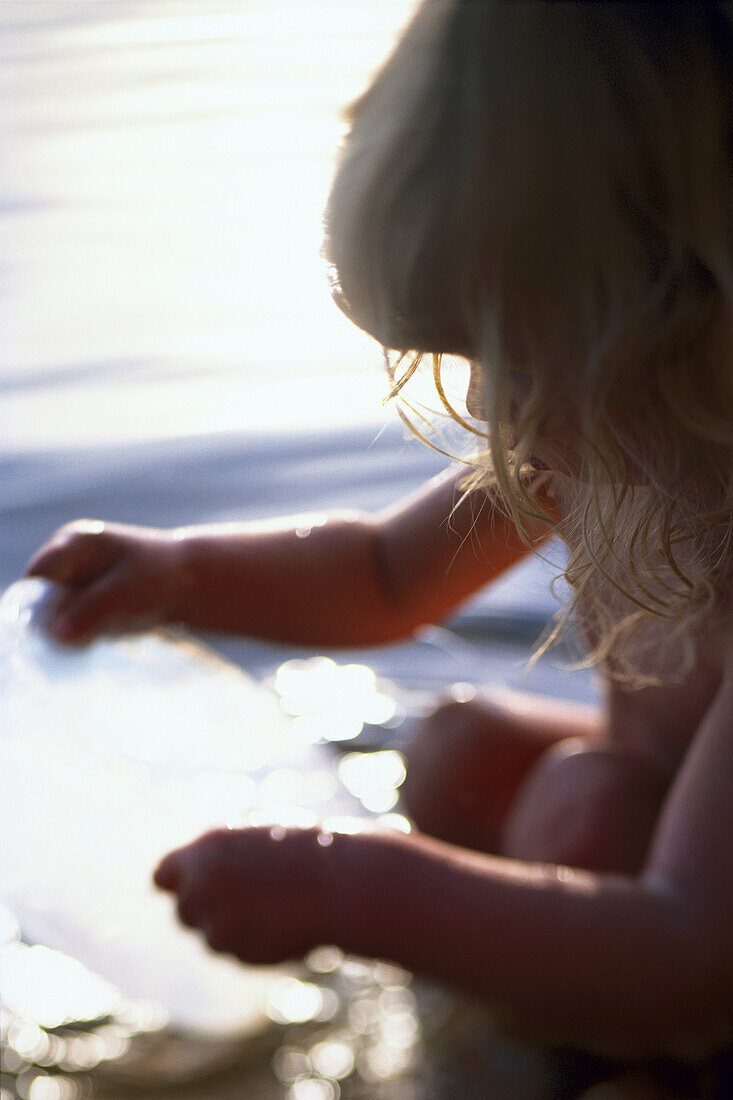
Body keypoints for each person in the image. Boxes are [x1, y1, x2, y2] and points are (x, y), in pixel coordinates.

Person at [26, 1, 733, 1053]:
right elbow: (383, 575)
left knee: (581, 812)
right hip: (676, 856)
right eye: (472, 359)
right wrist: (180, 572)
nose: (501, 411)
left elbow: (684, 953)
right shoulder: (608, 433)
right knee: (463, 749)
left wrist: (341, 884)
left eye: (526, 355)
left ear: (689, 315)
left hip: (698, 949)